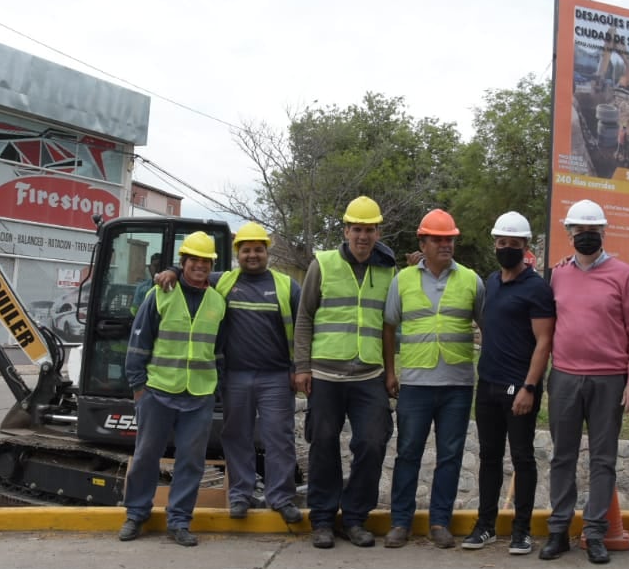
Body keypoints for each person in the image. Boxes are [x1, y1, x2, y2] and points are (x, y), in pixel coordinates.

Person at [158, 222, 303, 524]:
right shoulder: (222, 281)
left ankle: (281, 497)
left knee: (279, 438)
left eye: (258, 250)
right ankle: (240, 495)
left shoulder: (287, 286)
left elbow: (303, 331)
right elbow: (191, 275)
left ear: (267, 252)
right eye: (246, 250)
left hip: (276, 377)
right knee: (237, 436)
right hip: (235, 376)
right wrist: (171, 270)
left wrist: (299, 368)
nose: (252, 255)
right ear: (238, 253)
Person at [540, 199, 629, 564]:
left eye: (592, 231)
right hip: (565, 377)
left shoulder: (624, 275)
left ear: (603, 232)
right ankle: (558, 530)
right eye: (579, 230)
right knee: (562, 457)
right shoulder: (558, 274)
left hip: (610, 380)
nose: (585, 236)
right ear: (569, 233)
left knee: (603, 459)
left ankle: (596, 533)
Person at [293, 195, 398, 549]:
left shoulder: (388, 270)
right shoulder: (322, 264)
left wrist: (390, 371)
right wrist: (302, 366)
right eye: (357, 229)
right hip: (325, 375)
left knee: (371, 443)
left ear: (378, 232)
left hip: (369, 375)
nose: (363, 236)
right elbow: (305, 317)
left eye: (369, 230)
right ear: (345, 230)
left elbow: (389, 324)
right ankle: (322, 519)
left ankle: (355, 518)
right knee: (323, 445)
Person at [381, 209, 485, 549]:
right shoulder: (404, 280)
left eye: (449, 239)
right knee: (408, 452)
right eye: (438, 239)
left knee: (450, 455)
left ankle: (440, 522)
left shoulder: (471, 280)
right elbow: (389, 326)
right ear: (422, 242)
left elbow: (487, 327)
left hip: (457, 384)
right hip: (415, 383)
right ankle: (400, 522)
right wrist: (391, 372)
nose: (445, 245)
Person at [118, 232, 227, 547]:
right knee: (146, 456)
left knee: (191, 462)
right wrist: (139, 387)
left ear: (211, 266)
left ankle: (179, 521)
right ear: (184, 262)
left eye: (205, 261)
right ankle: (136, 515)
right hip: (158, 392)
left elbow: (218, 351)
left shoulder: (218, 301)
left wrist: (214, 388)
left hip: (199, 396)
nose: (199, 266)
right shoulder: (160, 294)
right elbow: (139, 342)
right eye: (193, 260)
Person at [463, 211, 554, 555]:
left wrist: (530, 387)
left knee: (522, 458)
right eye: (501, 243)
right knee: (488, 457)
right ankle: (485, 525)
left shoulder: (537, 288)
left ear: (525, 246)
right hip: (487, 386)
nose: (506, 248)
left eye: (513, 244)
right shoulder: (491, 282)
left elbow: (544, 341)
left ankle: (521, 531)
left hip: (520, 389)